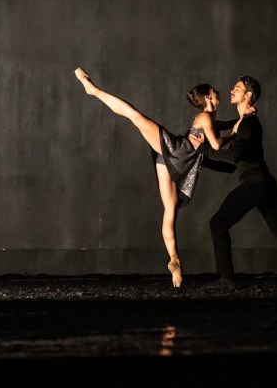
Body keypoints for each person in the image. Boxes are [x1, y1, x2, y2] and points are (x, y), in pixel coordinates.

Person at [73, 67, 241, 288]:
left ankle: (174, 258)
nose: (220, 92)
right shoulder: (205, 117)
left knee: (169, 207)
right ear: (209, 97)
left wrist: (237, 122)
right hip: (175, 152)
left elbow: (221, 127)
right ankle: (94, 91)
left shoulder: (208, 118)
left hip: (171, 159)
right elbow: (217, 144)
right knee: (135, 116)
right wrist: (236, 132)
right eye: (215, 91)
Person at [190, 75, 277, 290]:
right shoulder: (243, 123)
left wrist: (203, 150)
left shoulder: (248, 124)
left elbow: (232, 158)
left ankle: (227, 280)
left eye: (237, 88)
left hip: (256, 185)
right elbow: (231, 165)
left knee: (217, 224)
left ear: (248, 96)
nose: (232, 90)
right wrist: (202, 159)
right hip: (263, 185)